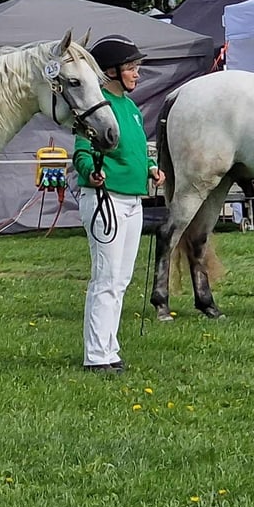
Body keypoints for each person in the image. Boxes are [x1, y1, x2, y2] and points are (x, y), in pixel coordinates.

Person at [73, 34, 165, 374]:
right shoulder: (96, 109)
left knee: (121, 279)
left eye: (137, 68)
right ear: (110, 71)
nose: (137, 74)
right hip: (104, 199)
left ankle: (109, 350)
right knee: (106, 278)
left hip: (132, 200)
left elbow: (136, 151)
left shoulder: (132, 109)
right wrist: (90, 173)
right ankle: (96, 356)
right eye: (131, 68)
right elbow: (82, 153)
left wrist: (151, 168)